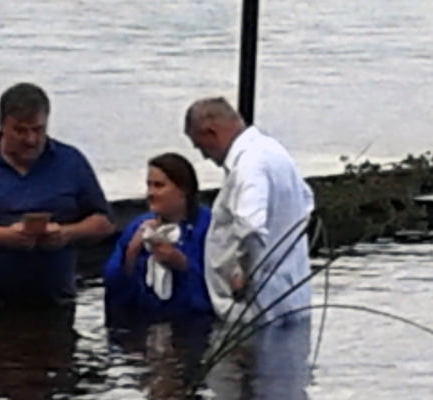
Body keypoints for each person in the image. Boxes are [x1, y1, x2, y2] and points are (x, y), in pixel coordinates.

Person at [0, 82, 114, 308]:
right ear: (2, 125)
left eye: (37, 130)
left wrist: (66, 234)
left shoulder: (71, 161)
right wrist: (4, 237)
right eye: (20, 130)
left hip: (56, 300)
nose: (30, 140)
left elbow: (103, 222)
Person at [183, 97, 314, 325]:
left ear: (211, 132)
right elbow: (307, 202)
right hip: (290, 293)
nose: (204, 155)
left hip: (256, 309)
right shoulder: (274, 151)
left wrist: (244, 274)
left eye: (200, 145)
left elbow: (250, 226)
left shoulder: (248, 165)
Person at [103, 153, 213, 320]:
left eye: (159, 186)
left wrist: (183, 265)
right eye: (149, 185)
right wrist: (131, 254)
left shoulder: (208, 226)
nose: (150, 193)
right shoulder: (138, 227)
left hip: (195, 323)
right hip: (145, 322)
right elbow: (113, 291)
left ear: (183, 190)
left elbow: (218, 289)